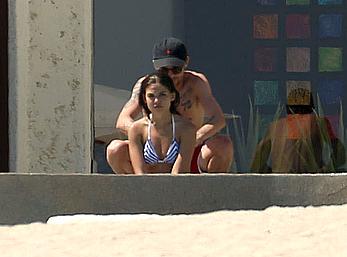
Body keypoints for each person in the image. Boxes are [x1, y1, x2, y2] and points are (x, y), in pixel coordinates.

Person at [107, 37, 233, 173]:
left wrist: (194, 138)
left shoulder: (195, 83)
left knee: (222, 145)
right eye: (164, 70)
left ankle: (210, 193)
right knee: (115, 150)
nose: (171, 75)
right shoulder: (148, 85)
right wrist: (144, 134)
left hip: (189, 148)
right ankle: (138, 191)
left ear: (186, 63)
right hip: (152, 154)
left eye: (176, 69)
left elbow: (218, 119)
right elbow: (122, 120)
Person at [250, 94, 345, 173]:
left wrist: (273, 173)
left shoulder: (275, 127)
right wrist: (325, 170)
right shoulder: (318, 123)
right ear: (312, 108)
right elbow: (340, 155)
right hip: (312, 183)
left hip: (281, 184)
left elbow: (257, 164)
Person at [128, 72, 196, 174]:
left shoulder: (186, 128)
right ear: (144, 99)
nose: (156, 101)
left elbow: (180, 172)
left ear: (172, 96)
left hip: (178, 185)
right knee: (115, 149)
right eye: (151, 96)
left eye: (162, 95)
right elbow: (139, 173)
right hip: (146, 185)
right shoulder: (137, 129)